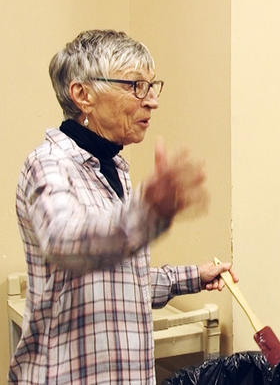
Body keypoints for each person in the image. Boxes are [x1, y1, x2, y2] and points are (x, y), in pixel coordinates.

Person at [9, 30, 237, 384]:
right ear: (83, 95)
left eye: (152, 86)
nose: (152, 101)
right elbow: (66, 244)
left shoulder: (115, 170)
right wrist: (147, 212)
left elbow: (120, 285)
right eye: (135, 86)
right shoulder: (49, 164)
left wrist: (193, 276)